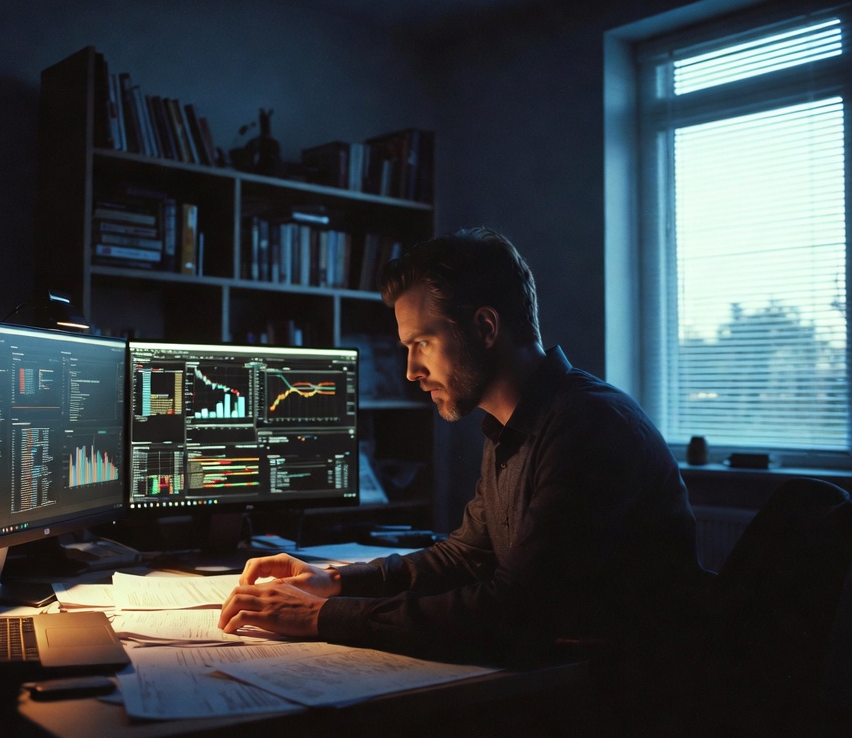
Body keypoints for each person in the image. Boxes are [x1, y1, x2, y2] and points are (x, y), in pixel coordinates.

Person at [219, 226, 705, 668]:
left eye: (422, 344)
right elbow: (464, 557)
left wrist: (322, 616)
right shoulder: (512, 426)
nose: (411, 371)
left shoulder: (587, 427)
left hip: (631, 696)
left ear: (485, 328)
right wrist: (337, 582)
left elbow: (511, 612)